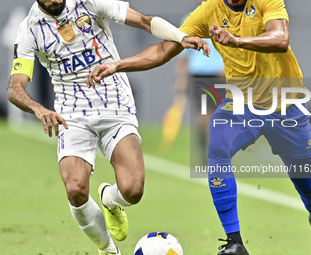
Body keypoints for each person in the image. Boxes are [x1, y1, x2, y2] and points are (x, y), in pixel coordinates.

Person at [87, 0, 311, 254]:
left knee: (305, 182)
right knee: (217, 145)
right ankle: (234, 243)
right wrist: (118, 66)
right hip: (242, 103)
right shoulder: (208, 11)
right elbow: (164, 49)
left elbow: (281, 38)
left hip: (286, 105)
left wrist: (237, 41)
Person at [7, 0, 209, 254]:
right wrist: (39, 108)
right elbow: (15, 88)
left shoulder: (90, 3)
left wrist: (181, 37)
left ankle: (110, 200)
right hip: (72, 113)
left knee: (133, 190)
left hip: (114, 102)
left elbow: (146, 21)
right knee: (75, 189)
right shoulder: (30, 30)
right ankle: (108, 250)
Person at [160, 0, 225, 159]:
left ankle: (216, 152)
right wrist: (181, 78)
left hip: (222, 75)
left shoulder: (226, 18)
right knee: (205, 115)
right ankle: (207, 153)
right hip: (201, 75)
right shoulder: (190, 20)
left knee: (220, 116)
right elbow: (182, 55)